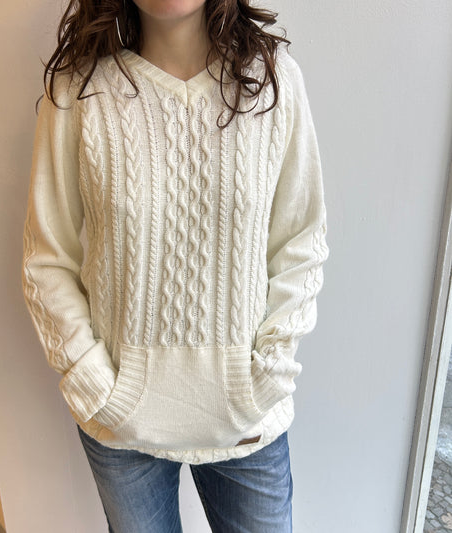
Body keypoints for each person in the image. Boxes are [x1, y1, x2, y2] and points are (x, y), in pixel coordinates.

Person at [21, 0, 329, 531]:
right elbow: (47, 259)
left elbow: (300, 241)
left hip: (247, 418)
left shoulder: (270, 81)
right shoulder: (78, 92)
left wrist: (266, 375)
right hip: (121, 423)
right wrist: (98, 388)